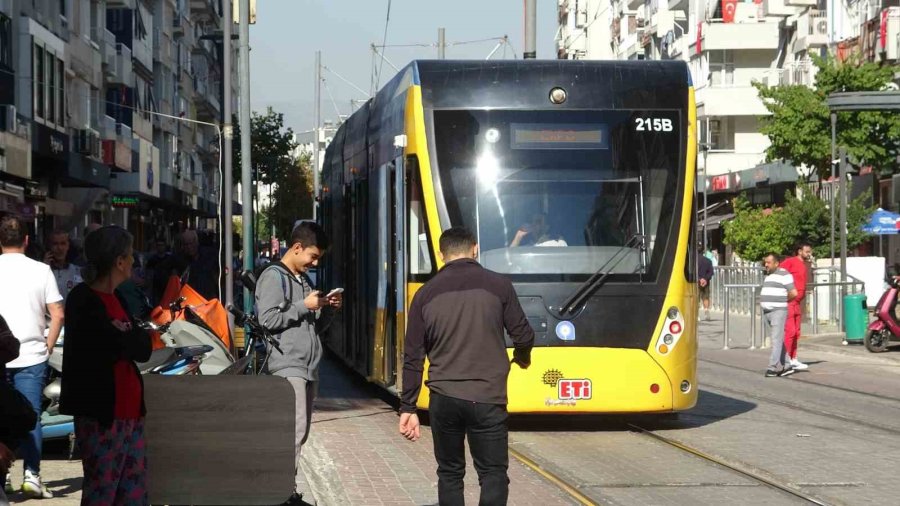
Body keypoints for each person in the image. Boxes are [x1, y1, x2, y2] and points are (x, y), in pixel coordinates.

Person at [399, 227, 535, 505]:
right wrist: (522, 357)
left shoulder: (424, 294)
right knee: (493, 473)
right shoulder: (500, 285)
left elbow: (413, 355)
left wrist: (408, 407)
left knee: (449, 473)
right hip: (488, 397)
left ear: (440, 254)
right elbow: (524, 335)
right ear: (475, 248)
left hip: (444, 398)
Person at [59, 226, 152, 506]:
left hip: (130, 415)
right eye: (130, 255)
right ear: (118, 261)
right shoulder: (83, 299)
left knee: (133, 495)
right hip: (102, 416)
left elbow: (142, 348)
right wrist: (124, 337)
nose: (135, 261)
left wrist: (123, 335)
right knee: (102, 493)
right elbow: (107, 347)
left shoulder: (120, 297)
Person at [255, 222, 342, 504]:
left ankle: (286, 490)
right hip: (287, 364)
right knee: (292, 432)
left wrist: (326, 308)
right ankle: (281, 495)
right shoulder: (273, 277)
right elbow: (267, 320)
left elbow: (312, 325)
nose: (314, 263)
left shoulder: (302, 279)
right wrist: (304, 306)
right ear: (296, 248)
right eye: (312, 257)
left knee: (300, 433)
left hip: (307, 366)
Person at [0, 215, 64, 499]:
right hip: (32, 354)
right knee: (31, 416)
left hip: (0, 356)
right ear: (27, 240)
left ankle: (2, 479)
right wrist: (47, 345)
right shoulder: (42, 270)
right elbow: (58, 313)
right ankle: (32, 475)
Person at [760, 253, 798, 378]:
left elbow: (793, 293)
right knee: (778, 339)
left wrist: (782, 301)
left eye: (769, 262)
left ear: (776, 263)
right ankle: (787, 366)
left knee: (775, 340)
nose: (766, 265)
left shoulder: (785, 274)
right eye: (765, 262)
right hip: (767, 311)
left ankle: (773, 367)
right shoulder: (769, 274)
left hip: (778, 311)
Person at [780, 242, 812, 371]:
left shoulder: (803, 264)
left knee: (796, 332)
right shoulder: (791, 261)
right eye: (807, 251)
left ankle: (793, 358)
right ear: (800, 251)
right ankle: (786, 359)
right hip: (789, 302)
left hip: (797, 302)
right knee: (791, 331)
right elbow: (779, 271)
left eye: (809, 251)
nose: (809, 254)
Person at [44, 230, 83, 302]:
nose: (59, 248)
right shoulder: (41, 271)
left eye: (63, 244)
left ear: (68, 246)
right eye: (55, 244)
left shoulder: (78, 272)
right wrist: (44, 269)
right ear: (49, 246)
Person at [698, 245, 714, 322]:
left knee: (696, 298)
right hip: (706, 282)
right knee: (706, 297)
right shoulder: (708, 261)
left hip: (696, 282)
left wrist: (699, 279)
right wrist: (705, 279)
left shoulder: (693, 261)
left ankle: (697, 314)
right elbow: (711, 272)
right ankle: (706, 311)